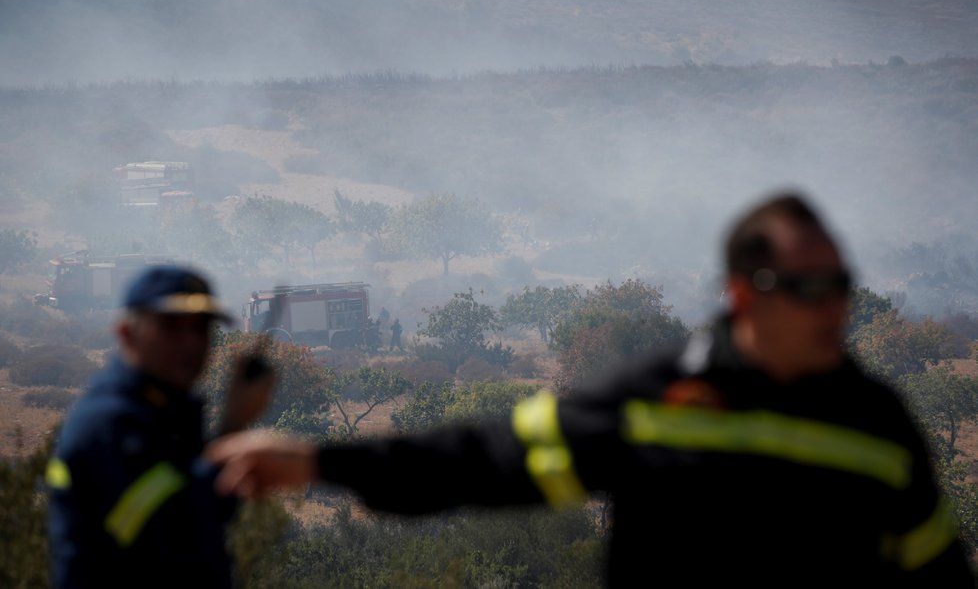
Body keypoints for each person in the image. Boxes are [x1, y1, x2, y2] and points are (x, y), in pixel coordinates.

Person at [207, 195, 974, 586]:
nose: (831, 305)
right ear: (744, 293)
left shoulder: (878, 423)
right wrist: (319, 462)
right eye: (805, 286)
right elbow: (484, 457)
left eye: (839, 283)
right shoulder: (655, 400)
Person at [47, 266, 275, 588]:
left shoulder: (163, 411)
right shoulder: (111, 423)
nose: (191, 343)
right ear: (127, 333)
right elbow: (177, 521)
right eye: (171, 327)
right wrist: (234, 423)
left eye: (201, 328)